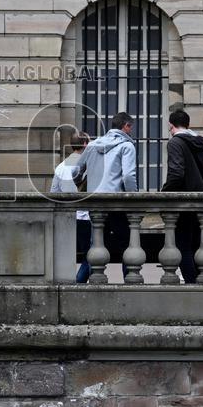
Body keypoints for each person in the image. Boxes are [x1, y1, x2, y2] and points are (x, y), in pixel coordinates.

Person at [73, 112, 138, 280]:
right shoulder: (127, 146)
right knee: (127, 246)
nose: (131, 131)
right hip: (117, 203)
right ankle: (130, 282)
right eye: (131, 127)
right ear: (126, 126)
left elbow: (75, 172)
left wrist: (83, 184)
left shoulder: (93, 145)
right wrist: (134, 197)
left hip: (95, 204)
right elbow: (128, 176)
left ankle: (79, 283)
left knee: (95, 246)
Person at [161, 109, 203, 283]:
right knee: (198, 244)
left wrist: (165, 192)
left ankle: (192, 284)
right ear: (188, 124)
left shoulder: (175, 143)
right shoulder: (202, 143)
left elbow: (176, 173)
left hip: (184, 202)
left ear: (171, 125)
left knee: (183, 245)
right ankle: (201, 282)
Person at [51, 130, 91, 282]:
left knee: (67, 256)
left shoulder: (61, 166)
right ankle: (78, 284)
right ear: (85, 144)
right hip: (83, 217)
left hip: (65, 217)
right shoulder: (86, 165)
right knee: (92, 255)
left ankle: (70, 284)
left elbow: (53, 192)